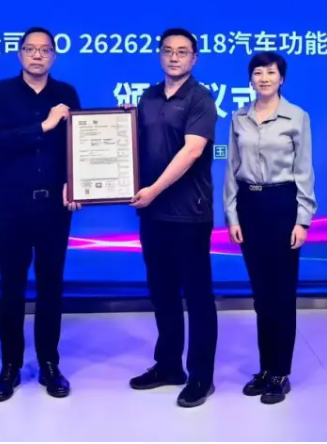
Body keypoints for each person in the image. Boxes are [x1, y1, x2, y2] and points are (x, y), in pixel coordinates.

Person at [0, 27, 81, 402]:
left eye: (44, 50)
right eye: (30, 49)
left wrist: (75, 183)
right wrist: (43, 126)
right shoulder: (1, 93)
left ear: (53, 56)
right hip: (12, 205)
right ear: (20, 54)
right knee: (12, 286)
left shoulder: (66, 93)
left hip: (55, 207)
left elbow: (77, 145)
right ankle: (9, 366)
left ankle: (49, 364)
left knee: (51, 286)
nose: (37, 55)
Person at [128, 27, 219, 408]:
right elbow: (129, 147)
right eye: (168, 51)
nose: (174, 57)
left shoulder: (201, 98)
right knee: (162, 292)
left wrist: (153, 189)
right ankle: (168, 365)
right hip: (153, 215)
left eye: (182, 52)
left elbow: (191, 152)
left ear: (194, 58)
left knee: (197, 296)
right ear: (160, 55)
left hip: (188, 215)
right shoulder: (147, 97)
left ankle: (200, 376)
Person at [222, 51, 316, 405]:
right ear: (250, 79)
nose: (264, 78)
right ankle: (265, 369)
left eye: (271, 72)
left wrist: (302, 219)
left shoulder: (297, 117)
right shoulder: (238, 118)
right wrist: (232, 215)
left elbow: (304, 169)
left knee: (281, 293)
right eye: (258, 72)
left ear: (282, 79)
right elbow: (231, 168)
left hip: (282, 204)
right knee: (261, 295)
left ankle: (280, 372)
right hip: (250, 205)